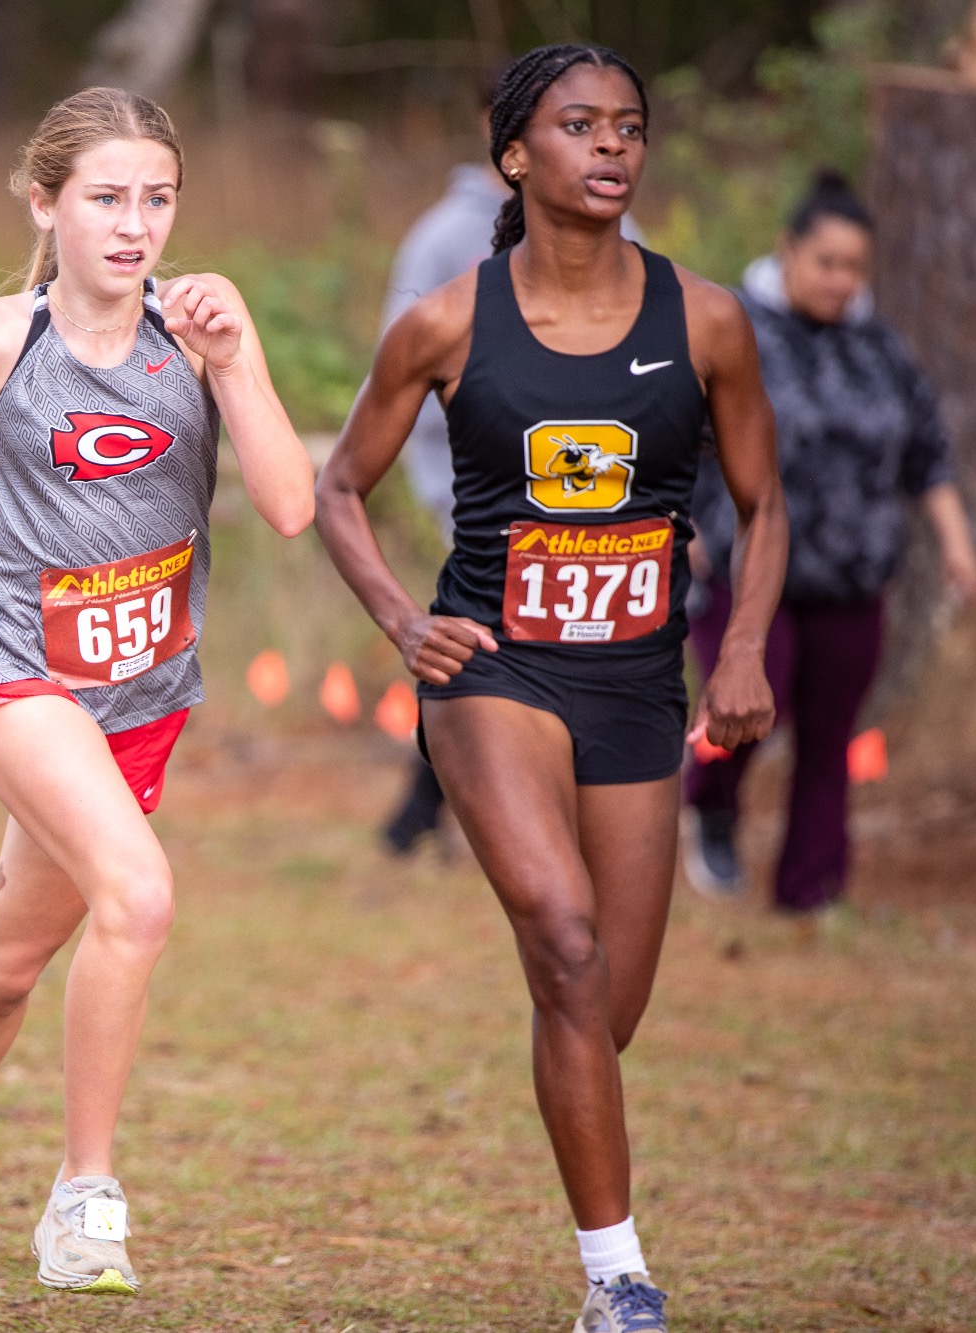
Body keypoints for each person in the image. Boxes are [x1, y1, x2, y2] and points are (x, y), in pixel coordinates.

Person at [314, 46, 788, 1333]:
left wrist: (740, 645)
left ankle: (572, 1106)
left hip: (638, 685)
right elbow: (337, 487)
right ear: (512, 156)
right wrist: (402, 619)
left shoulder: (703, 322)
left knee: (600, 1005)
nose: (610, 148)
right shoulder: (447, 323)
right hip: (491, 668)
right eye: (577, 126)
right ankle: (617, 1281)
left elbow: (760, 501)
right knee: (566, 945)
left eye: (628, 126)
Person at [0, 87, 313, 1321]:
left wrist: (235, 353)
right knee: (138, 893)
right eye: (106, 197)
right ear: (45, 202)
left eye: (157, 199)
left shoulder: (194, 333)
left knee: (2, 967)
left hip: (141, 698)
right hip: (14, 676)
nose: (133, 224)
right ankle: (83, 1191)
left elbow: (292, 504)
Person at [680, 170, 976, 909]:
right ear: (788, 250)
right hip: (750, 569)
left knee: (829, 733)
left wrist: (955, 542)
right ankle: (710, 807)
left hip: (855, 572)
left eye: (855, 268)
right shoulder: (734, 327)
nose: (841, 281)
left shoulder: (880, 348)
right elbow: (679, 434)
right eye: (827, 263)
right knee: (750, 701)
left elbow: (927, 453)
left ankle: (810, 888)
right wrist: (680, 522)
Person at [379, 70, 643, 855]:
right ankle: (439, 805)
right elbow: (398, 369)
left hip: (594, 488)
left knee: (534, 642)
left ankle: (450, 808)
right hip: (473, 481)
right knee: (494, 634)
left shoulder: (610, 220)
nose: (595, 141)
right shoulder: (443, 236)